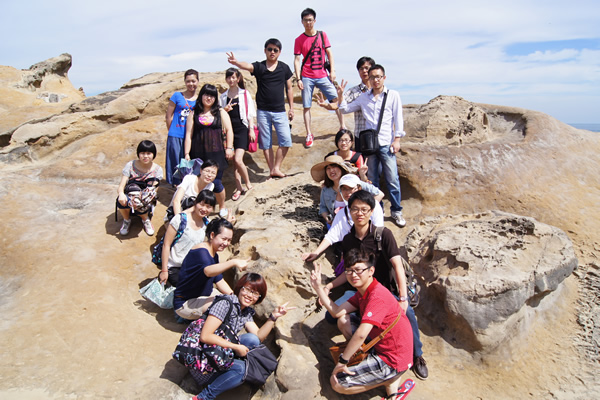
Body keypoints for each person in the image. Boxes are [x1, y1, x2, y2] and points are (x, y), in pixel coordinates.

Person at [328, 190, 429, 380]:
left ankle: (417, 355)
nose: (359, 213)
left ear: (371, 212)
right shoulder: (348, 240)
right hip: (361, 292)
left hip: (387, 292)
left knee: (407, 313)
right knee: (330, 317)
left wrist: (403, 298)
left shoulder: (383, 234)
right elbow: (347, 271)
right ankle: (369, 347)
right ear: (349, 211)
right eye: (355, 209)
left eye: (364, 209)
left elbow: (397, 266)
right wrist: (329, 286)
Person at [309, 249, 413, 398]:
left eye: (358, 270)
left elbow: (361, 334)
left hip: (393, 359)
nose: (353, 275)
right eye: (349, 271)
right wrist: (318, 287)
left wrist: (342, 361)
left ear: (371, 271)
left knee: (337, 383)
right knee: (343, 321)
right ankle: (380, 372)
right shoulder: (363, 292)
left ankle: (390, 380)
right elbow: (337, 312)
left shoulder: (377, 296)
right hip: (381, 345)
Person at [188, 273, 295, 400]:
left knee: (252, 339)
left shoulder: (245, 311)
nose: (250, 295)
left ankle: (230, 370)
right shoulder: (225, 303)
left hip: (218, 351)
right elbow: (205, 336)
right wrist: (236, 347)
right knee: (241, 369)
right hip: (202, 360)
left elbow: (258, 337)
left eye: (255, 293)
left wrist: (273, 317)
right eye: (248, 290)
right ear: (240, 287)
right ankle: (204, 397)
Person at [333, 64, 406, 227]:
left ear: (384, 78)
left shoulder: (393, 95)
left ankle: (396, 210)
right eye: (372, 77)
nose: (375, 80)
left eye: (378, 77)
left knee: (392, 178)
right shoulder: (364, 97)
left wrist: (397, 139)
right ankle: (377, 210)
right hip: (370, 145)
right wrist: (340, 95)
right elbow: (344, 109)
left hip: (386, 143)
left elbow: (398, 118)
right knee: (372, 180)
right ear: (369, 78)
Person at [226, 38, 294, 179]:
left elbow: (289, 88)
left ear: (279, 52)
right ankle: (272, 170)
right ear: (265, 50)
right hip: (263, 111)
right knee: (266, 143)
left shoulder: (284, 68)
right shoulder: (260, 67)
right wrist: (236, 63)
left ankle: (276, 168)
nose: (272, 52)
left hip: (280, 110)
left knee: (286, 140)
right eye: (269, 49)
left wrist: (291, 108)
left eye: (275, 50)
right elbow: (248, 66)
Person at [174, 218, 247, 320]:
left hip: (203, 296)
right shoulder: (201, 253)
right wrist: (233, 262)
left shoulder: (213, 254)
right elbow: (208, 271)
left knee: (230, 301)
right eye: (224, 239)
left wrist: (234, 297)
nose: (226, 243)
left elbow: (219, 280)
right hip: (186, 303)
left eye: (229, 240)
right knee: (224, 305)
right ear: (212, 235)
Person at [302, 174, 383, 263]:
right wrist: (316, 253)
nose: (347, 192)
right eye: (344, 189)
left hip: (374, 252)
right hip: (355, 257)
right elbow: (331, 236)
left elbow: (379, 230)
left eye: (351, 188)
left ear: (359, 188)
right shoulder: (342, 213)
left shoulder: (374, 205)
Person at [293, 7, 340, 148]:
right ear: (302, 22)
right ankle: (309, 133)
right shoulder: (299, 40)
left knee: (337, 100)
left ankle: (342, 126)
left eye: (310, 20)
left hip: (322, 75)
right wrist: (298, 78)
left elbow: (330, 53)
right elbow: (297, 60)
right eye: (305, 20)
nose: (308, 23)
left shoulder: (322, 35)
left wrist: (332, 71)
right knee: (306, 106)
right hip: (307, 76)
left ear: (314, 21)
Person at [184, 84, 233, 218]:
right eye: (206, 94)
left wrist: (229, 148)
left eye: (212, 95)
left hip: (217, 154)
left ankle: (222, 206)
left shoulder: (220, 112)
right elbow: (188, 135)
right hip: (198, 155)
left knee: (216, 183)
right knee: (201, 183)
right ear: (201, 96)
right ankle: (203, 209)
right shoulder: (193, 113)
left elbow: (229, 130)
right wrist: (187, 153)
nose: (209, 98)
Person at [159, 189, 216, 287]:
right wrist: (164, 270)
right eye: (202, 204)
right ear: (195, 203)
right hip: (174, 266)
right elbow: (166, 244)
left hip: (191, 267)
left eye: (208, 207)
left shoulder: (207, 224)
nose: (204, 209)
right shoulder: (180, 219)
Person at [219, 68, 256, 201]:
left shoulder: (244, 93)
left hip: (241, 129)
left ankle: (248, 184)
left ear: (238, 78)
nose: (231, 80)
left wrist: (251, 129)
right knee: (235, 162)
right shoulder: (223, 96)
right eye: (229, 77)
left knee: (238, 159)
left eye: (234, 77)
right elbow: (219, 114)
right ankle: (239, 187)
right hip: (229, 131)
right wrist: (225, 109)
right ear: (226, 79)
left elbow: (250, 113)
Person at [116, 140, 163, 236]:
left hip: (146, 194)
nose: (145, 156)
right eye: (142, 153)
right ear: (138, 154)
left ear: (153, 154)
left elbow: (154, 189)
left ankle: (145, 219)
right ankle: (126, 220)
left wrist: (143, 197)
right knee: (121, 201)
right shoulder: (130, 165)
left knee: (140, 201)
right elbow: (122, 185)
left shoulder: (158, 170)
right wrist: (121, 194)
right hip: (131, 191)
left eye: (149, 153)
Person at [165, 69, 199, 185]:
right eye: (188, 81)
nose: (191, 84)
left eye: (193, 81)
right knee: (175, 162)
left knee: (189, 163)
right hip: (176, 135)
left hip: (192, 136)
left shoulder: (200, 99)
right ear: (184, 82)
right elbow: (168, 116)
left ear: (198, 81)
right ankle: (174, 186)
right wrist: (172, 131)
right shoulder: (177, 96)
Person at [341, 57, 376, 148]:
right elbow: (341, 105)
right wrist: (327, 104)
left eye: (367, 68)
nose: (364, 71)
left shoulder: (378, 90)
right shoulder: (354, 91)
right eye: (361, 69)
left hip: (377, 134)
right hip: (361, 135)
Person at [310, 155, 351, 226]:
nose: (331, 170)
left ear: (342, 168)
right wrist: (329, 220)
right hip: (335, 225)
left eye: (334, 167)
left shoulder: (353, 185)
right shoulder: (325, 190)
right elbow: (323, 207)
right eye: (328, 168)